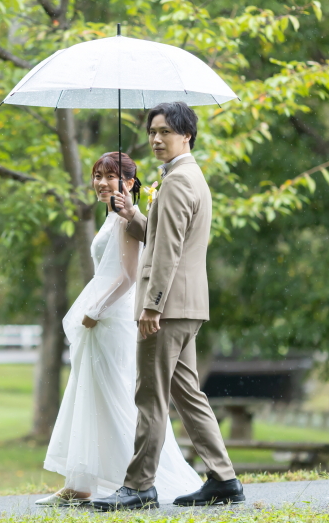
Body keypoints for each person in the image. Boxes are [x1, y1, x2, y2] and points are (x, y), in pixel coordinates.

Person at [92, 102, 245, 511]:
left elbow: (169, 253)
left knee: (150, 395)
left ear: (186, 135)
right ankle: (224, 479)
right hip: (186, 306)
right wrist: (133, 213)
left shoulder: (178, 181)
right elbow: (160, 236)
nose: (156, 139)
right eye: (152, 132)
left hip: (169, 307)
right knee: (188, 394)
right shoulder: (185, 176)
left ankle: (139, 486)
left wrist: (152, 307)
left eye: (165, 132)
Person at [34, 151, 202, 508]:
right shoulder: (110, 218)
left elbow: (127, 277)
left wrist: (94, 310)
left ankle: (138, 478)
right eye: (97, 176)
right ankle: (79, 483)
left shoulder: (126, 219)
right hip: (100, 319)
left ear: (128, 182)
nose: (100, 183)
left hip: (113, 319)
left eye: (109, 177)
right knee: (90, 395)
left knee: (118, 398)